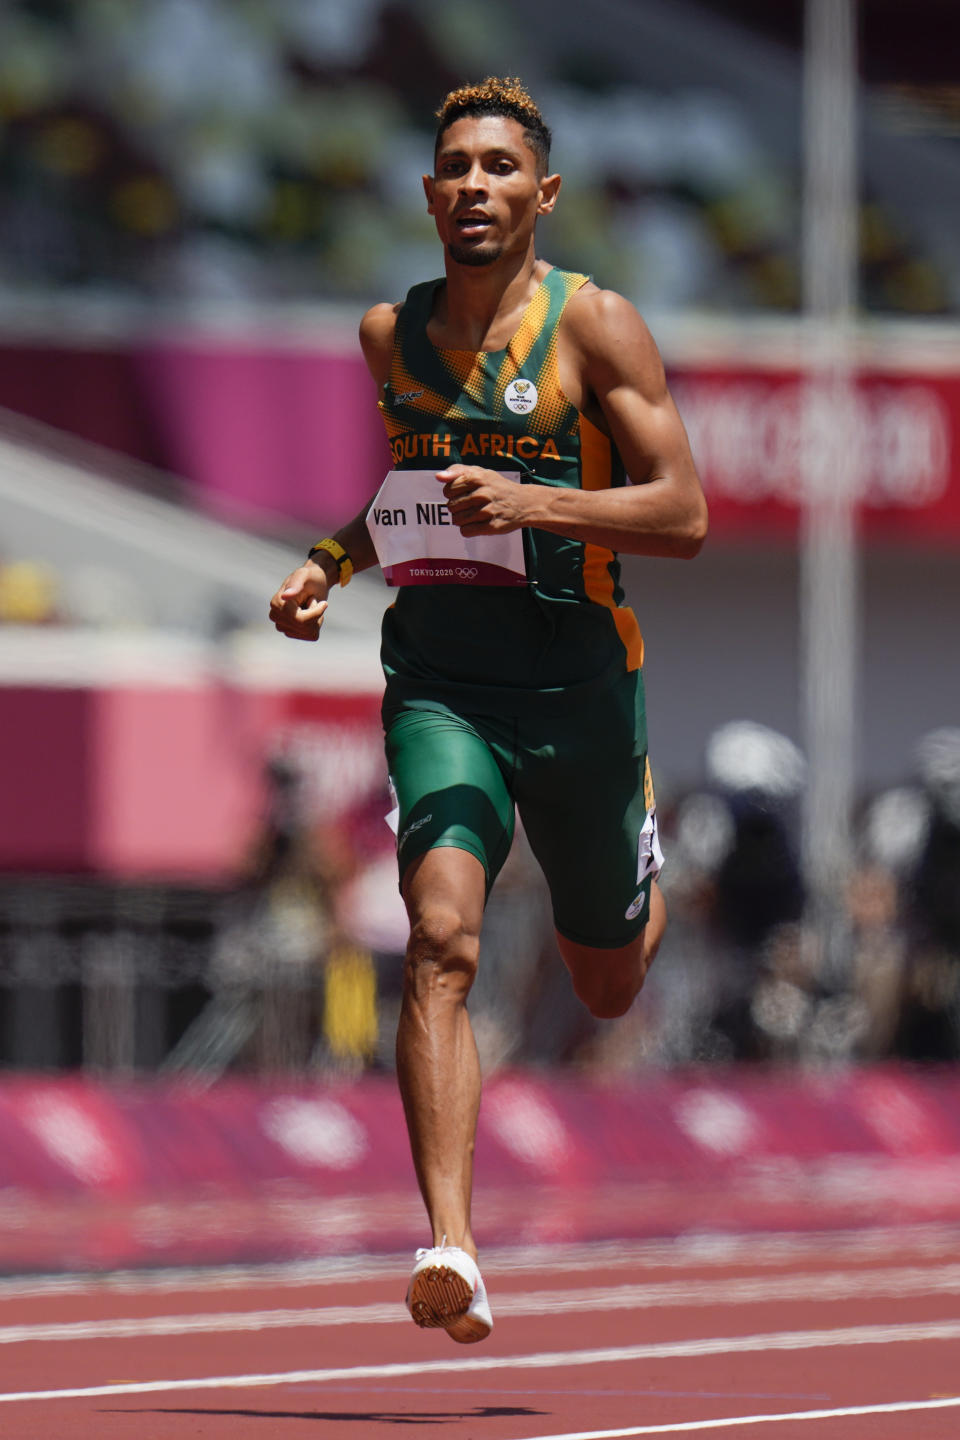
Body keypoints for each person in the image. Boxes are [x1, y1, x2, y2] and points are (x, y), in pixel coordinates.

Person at [269, 76, 707, 1343]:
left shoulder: (597, 327)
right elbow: (405, 495)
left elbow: (681, 513)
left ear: (544, 195)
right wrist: (328, 562)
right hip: (442, 681)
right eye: (456, 165)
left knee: (609, 981)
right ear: (428, 192)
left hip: (578, 685)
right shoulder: (386, 337)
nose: (476, 185)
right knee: (441, 938)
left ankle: (632, 853)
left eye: (501, 168)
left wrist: (542, 507)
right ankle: (452, 1244)